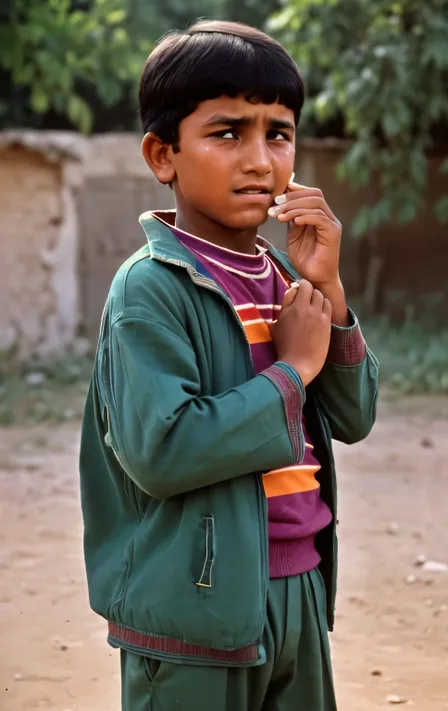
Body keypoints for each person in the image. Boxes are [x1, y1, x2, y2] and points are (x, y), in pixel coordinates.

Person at [79, 19, 379, 711]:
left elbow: (355, 417)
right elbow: (164, 449)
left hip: (298, 585)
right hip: (193, 612)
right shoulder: (149, 287)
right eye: (227, 133)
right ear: (164, 155)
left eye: (277, 133)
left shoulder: (283, 277)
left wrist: (329, 292)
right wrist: (293, 371)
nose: (259, 159)